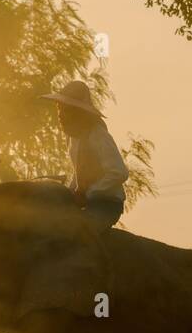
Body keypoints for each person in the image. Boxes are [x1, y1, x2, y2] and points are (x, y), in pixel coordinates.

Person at [40, 80, 128, 229]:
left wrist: (89, 193)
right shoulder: (74, 137)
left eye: (65, 110)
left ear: (78, 112)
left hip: (107, 203)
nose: (60, 115)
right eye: (59, 109)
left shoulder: (98, 135)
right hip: (88, 201)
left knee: (80, 230)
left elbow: (119, 172)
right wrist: (68, 194)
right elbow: (79, 174)